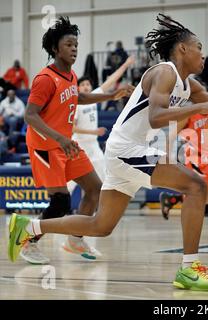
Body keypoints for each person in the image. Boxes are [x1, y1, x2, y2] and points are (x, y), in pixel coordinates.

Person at [8, 14, 208, 291]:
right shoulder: (164, 72)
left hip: (128, 151)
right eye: (199, 46)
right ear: (183, 49)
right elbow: (156, 117)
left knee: (101, 225)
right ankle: (189, 269)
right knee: (196, 184)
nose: (203, 54)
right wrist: (198, 109)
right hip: (127, 148)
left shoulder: (191, 85)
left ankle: (29, 227)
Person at [18, 16, 133, 265]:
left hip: (65, 144)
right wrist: (60, 137)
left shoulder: (70, 76)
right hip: (46, 146)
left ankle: (75, 239)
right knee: (61, 202)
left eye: (76, 45)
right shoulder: (45, 79)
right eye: (69, 44)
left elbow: (78, 99)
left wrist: (112, 95)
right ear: (55, 49)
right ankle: (27, 241)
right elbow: (29, 115)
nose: (74, 49)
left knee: (94, 189)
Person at [67, 55, 135, 195]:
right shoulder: (77, 103)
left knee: (104, 179)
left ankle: (98, 213)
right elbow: (71, 128)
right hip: (78, 145)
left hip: (93, 146)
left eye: (87, 84)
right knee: (71, 183)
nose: (86, 87)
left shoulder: (95, 95)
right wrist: (93, 132)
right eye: (83, 85)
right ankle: (58, 207)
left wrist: (126, 64)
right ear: (78, 88)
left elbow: (111, 80)